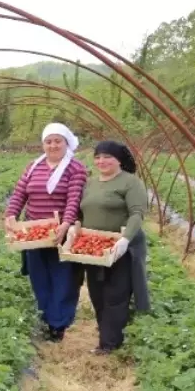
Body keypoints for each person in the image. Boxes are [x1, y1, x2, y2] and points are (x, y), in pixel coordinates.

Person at [4, 122, 87, 341]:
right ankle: (45, 316)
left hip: (61, 232)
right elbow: (20, 193)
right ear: (43, 144)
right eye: (48, 141)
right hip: (34, 231)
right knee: (39, 277)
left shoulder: (75, 168)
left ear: (66, 143)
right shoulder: (33, 166)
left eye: (57, 141)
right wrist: (11, 214)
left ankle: (58, 324)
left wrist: (67, 223)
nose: (53, 145)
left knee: (63, 278)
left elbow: (73, 199)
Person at [66, 140, 147, 355]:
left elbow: (137, 214)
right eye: (98, 157)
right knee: (97, 294)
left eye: (107, 157)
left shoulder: (130, 183)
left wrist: (125, 239)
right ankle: (106, 335)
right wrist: (76, 228)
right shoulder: (90, 183)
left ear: (119, 160)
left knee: (116, 295)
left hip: (120, 248)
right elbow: (81, 213)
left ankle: (110, 344)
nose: (102, 161)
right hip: (93, 248)